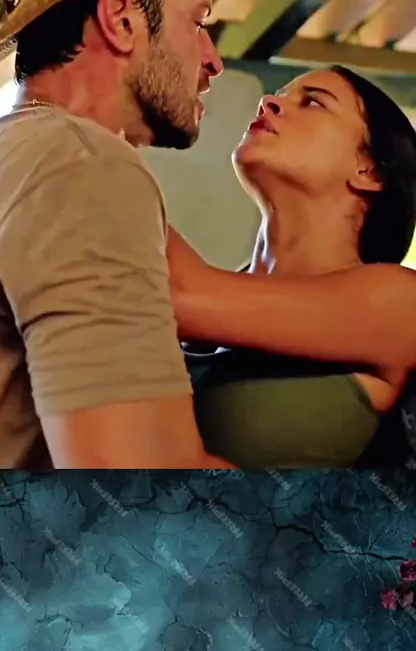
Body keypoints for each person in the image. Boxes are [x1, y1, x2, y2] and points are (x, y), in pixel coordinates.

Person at [0, 0, 293, 469]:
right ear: (121, 20)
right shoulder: (84, 164)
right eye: (198, 22)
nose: (213, 60)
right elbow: (138, 481)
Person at [168, 65, 416, 468]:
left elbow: (172, 295)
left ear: (368, 169)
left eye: (313, 102)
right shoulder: (208, 298)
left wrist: (99, 123)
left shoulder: (401, 301)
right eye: (280, 94)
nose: (269, 102)